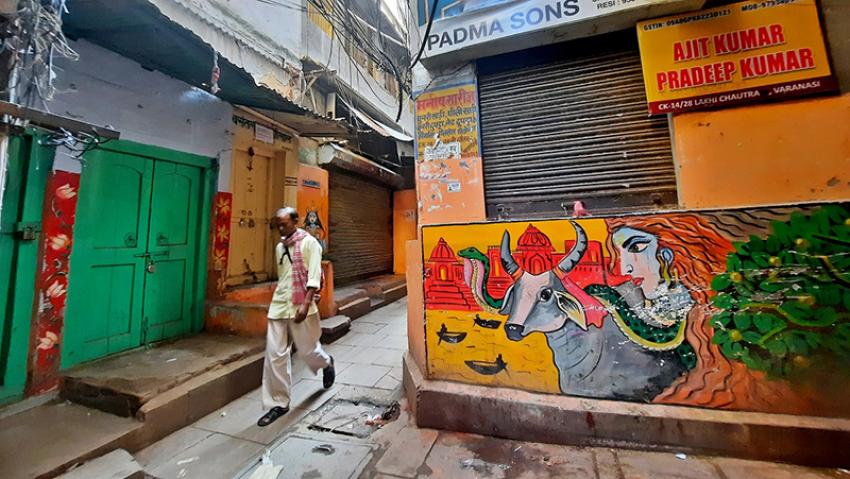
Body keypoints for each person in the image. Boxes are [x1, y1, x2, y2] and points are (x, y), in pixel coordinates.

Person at [257, 207, 334, 427]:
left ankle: (327, 363)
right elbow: (284, 278)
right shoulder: (280, 247)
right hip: (280, 305)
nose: (280, 228)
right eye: (278, 224)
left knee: (309, 351)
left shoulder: (310, 243)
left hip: (302, 305)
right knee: (275, 355)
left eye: (284, 223)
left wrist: (307, 301)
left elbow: (314, 274)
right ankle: (278, 403)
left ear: (296, 221)